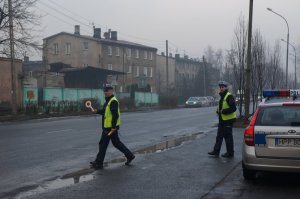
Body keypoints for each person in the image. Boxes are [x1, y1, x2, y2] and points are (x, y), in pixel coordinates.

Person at [89, 84, 135, 169]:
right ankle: (130, 155)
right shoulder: (109, 101)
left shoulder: (113, 101)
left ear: (111, 91)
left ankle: (99, 163)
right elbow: (104, 111)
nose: (105, 92)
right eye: (104, 91)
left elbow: (115, 115)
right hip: (110, 127)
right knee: (116, 143)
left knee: (103, 144)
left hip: (110, 128)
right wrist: (96, 111)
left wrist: (113, 127)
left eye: (106, 91)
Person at [208, 81, 237, 158]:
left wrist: (223, 111)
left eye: (222, 87)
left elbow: (233, 108)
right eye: (220, 87)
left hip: (228, 120)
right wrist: (218, 111)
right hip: (222, 120)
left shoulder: (229, 96)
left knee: (228, 137)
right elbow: (221, 107)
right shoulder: (222, 97)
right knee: (219, 136)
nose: (221, 88)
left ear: (226, 88)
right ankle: (216, 151)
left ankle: (230, 153)